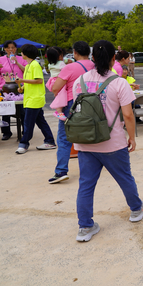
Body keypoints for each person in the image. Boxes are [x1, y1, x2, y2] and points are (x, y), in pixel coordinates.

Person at [73, 40, 143, 242]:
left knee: (86, 185)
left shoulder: (79, 82)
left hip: (86, 141)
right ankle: (136, 209)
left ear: (92, 58)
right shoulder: (119, 83)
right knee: (124, 177)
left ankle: (85, 227)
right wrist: (132, 137)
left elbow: (77, 110)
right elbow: (128, 115)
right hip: (112, 142)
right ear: (113, 58)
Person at [49, 41, 95, 184]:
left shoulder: (69, 68)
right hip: (92, 104)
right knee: (90, 134)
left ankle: (61, 171)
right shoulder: (95, 66)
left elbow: (56, 88)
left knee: (64, 138)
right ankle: (94, 166)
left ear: (75, 52)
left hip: (72, 104)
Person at [13, 44, 56, 154]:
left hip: (34, 99)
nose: (20, 53)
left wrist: (22, 80)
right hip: (30, 99)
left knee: (28, 123)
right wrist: (22, 87)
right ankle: (50, 141)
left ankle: (24, 143)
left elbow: (39, 81)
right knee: (41, 122)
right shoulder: (28, 66)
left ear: (25, 54)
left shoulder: (35, 65)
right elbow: (30, 81)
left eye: (21, 52)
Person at [0, 40, 27, 140]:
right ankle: (6, 132)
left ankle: (25, 130)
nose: (11, 50)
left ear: (16, 49)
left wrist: (17, 62)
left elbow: (26, 70)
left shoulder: (21, 58)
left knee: (23, 111)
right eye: (8, 48)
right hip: (5, 88)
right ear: (5, 49)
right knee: (5, 111)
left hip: (20, 88)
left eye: (13, 47)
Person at [45, 47, 68, 120]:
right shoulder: (61, 63)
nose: (62, 57)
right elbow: (67, 69)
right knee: (61, 95)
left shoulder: (50, 64)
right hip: (58, 81)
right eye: (61, 56)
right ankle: (59, 111)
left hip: (52, 81)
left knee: (58, 96)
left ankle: (59, 110)